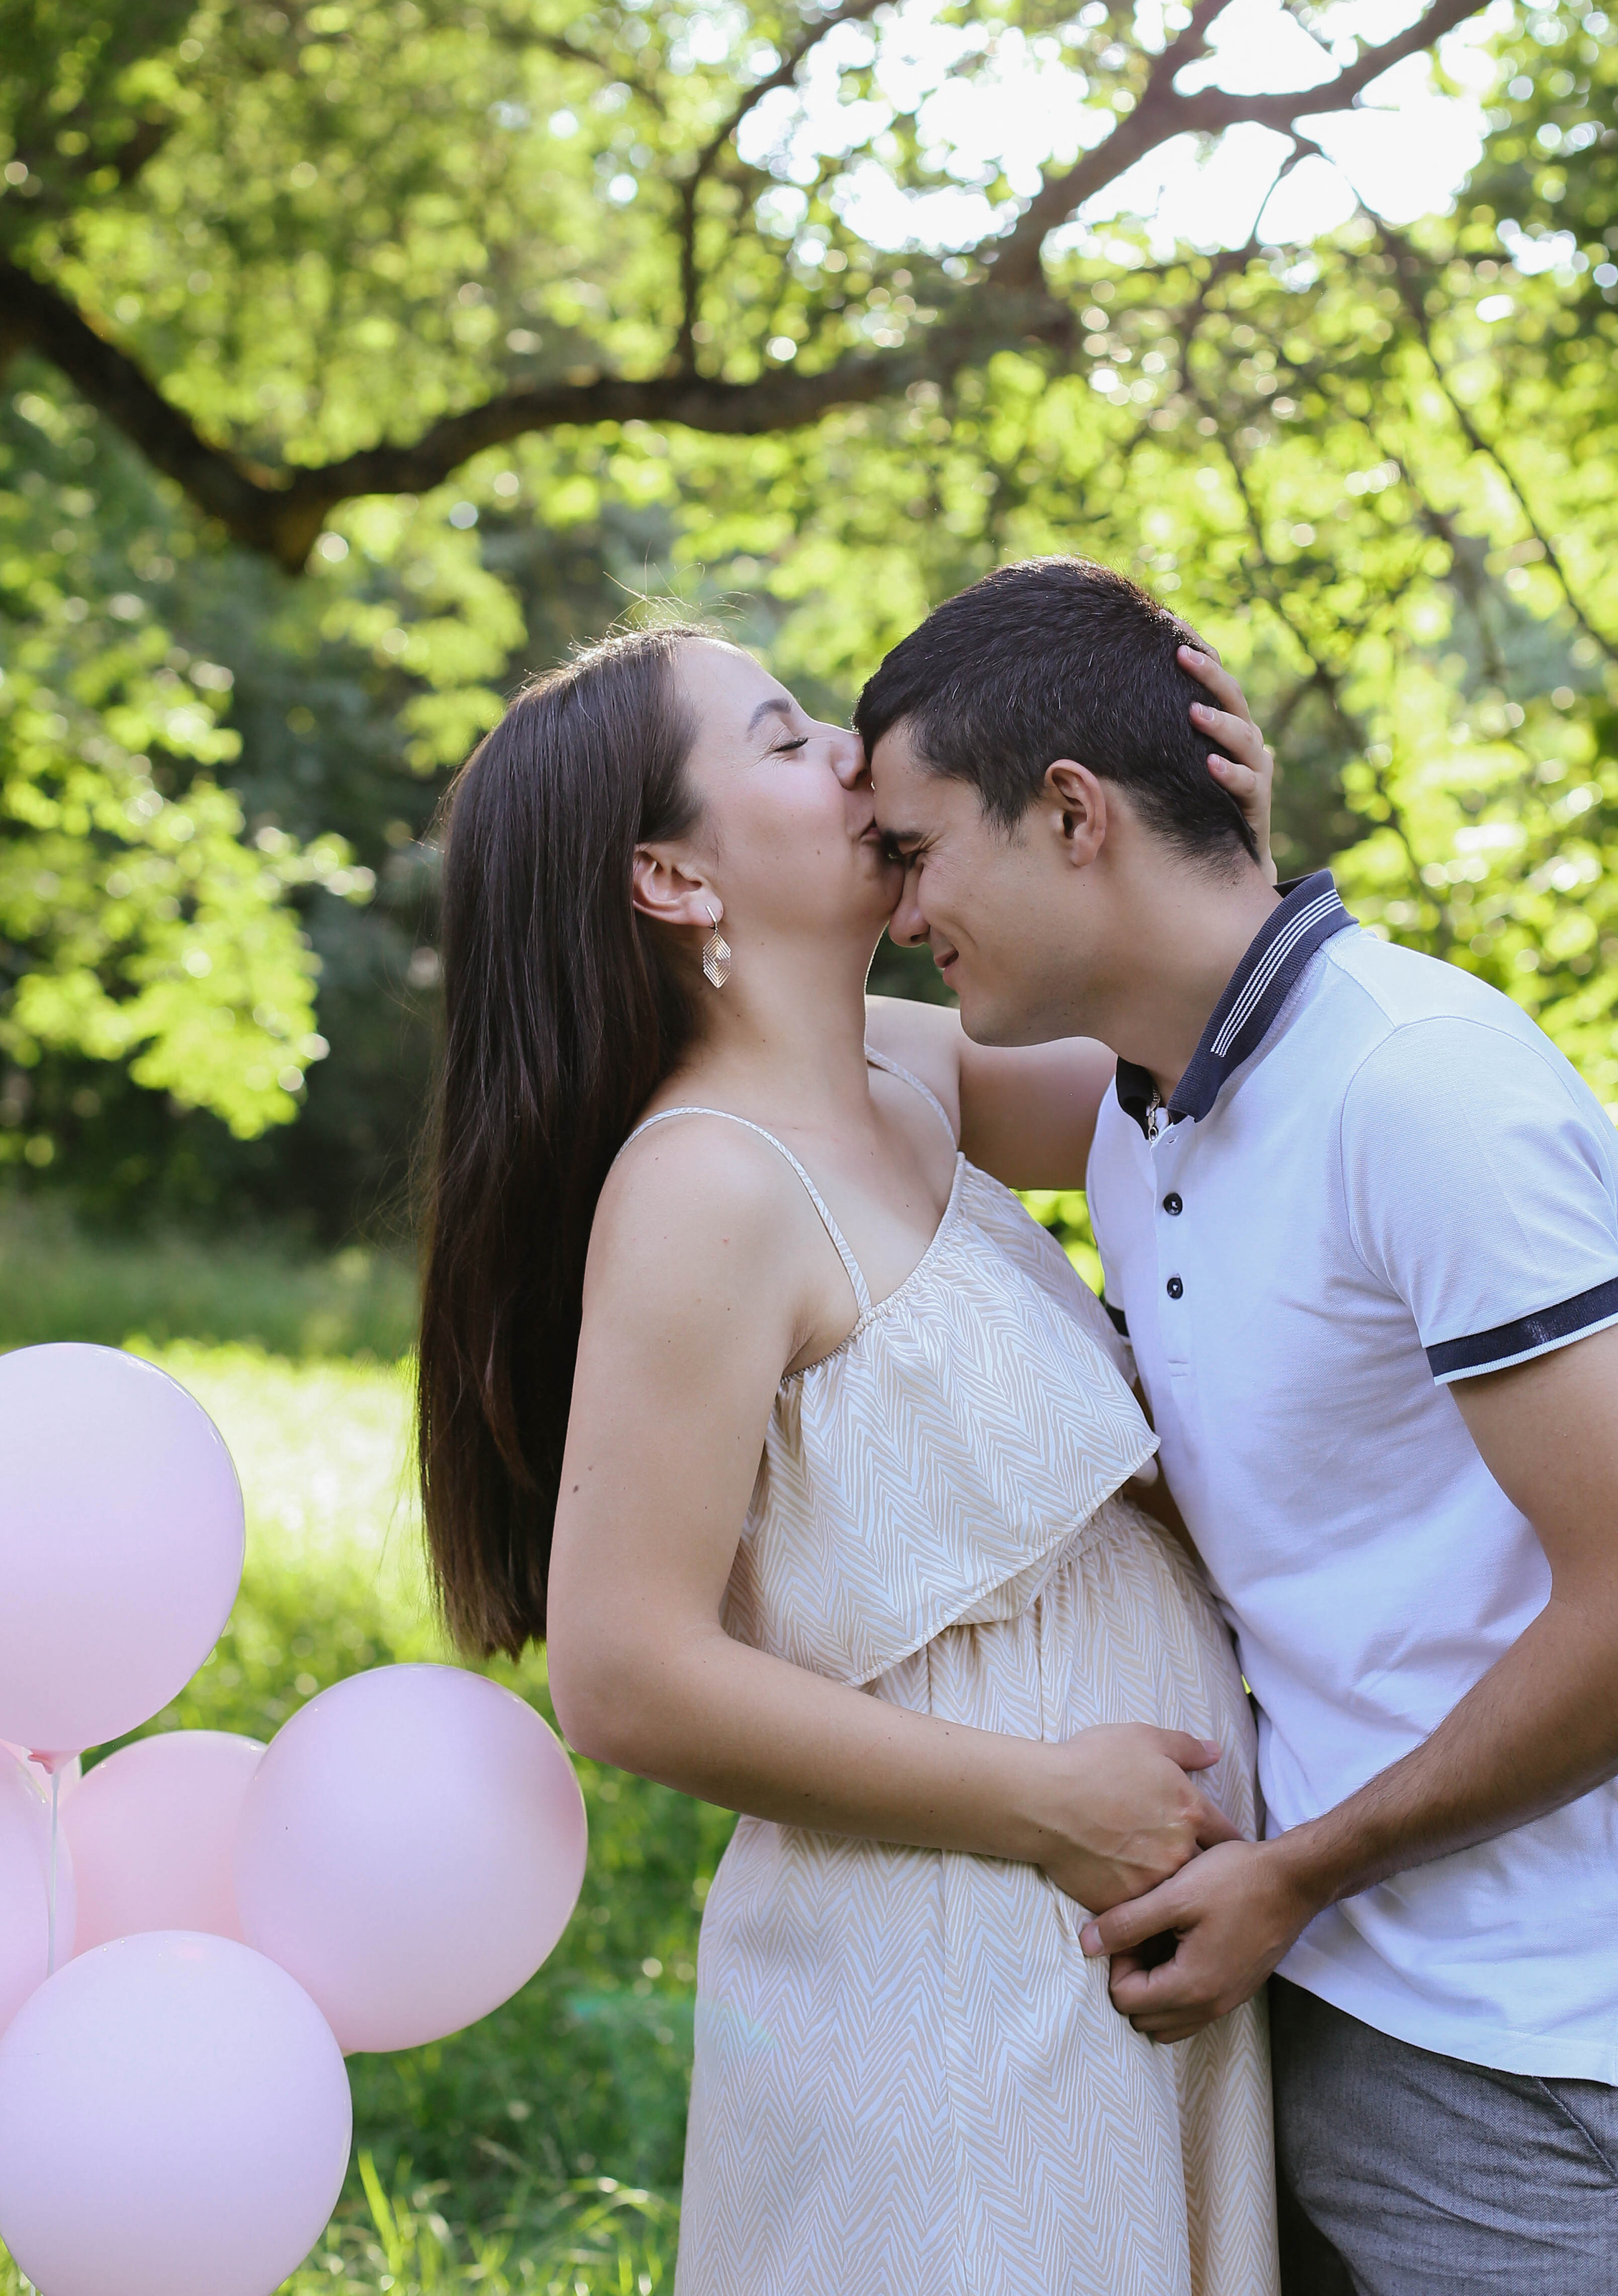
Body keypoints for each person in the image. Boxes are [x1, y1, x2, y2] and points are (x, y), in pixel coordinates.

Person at [859, 555, 1618, 2296]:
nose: (894, 910)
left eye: (910, 850)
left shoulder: (1420, 1093)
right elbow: (822, 1054)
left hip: (1530, 2072)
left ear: (1068, 816)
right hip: (1310, 1985)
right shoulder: (1147, 1090)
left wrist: (1293, 1875)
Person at [413, 618, 1282, 2296]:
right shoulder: (703, 1187)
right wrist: (1043, 1804)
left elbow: (1210, 1070)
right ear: (671, 875)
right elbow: (619, 1672)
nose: (850, 752)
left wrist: (1219, 849)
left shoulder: (903, 1069)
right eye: (782, 733)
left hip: (1093, 1948)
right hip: (950, 1973)